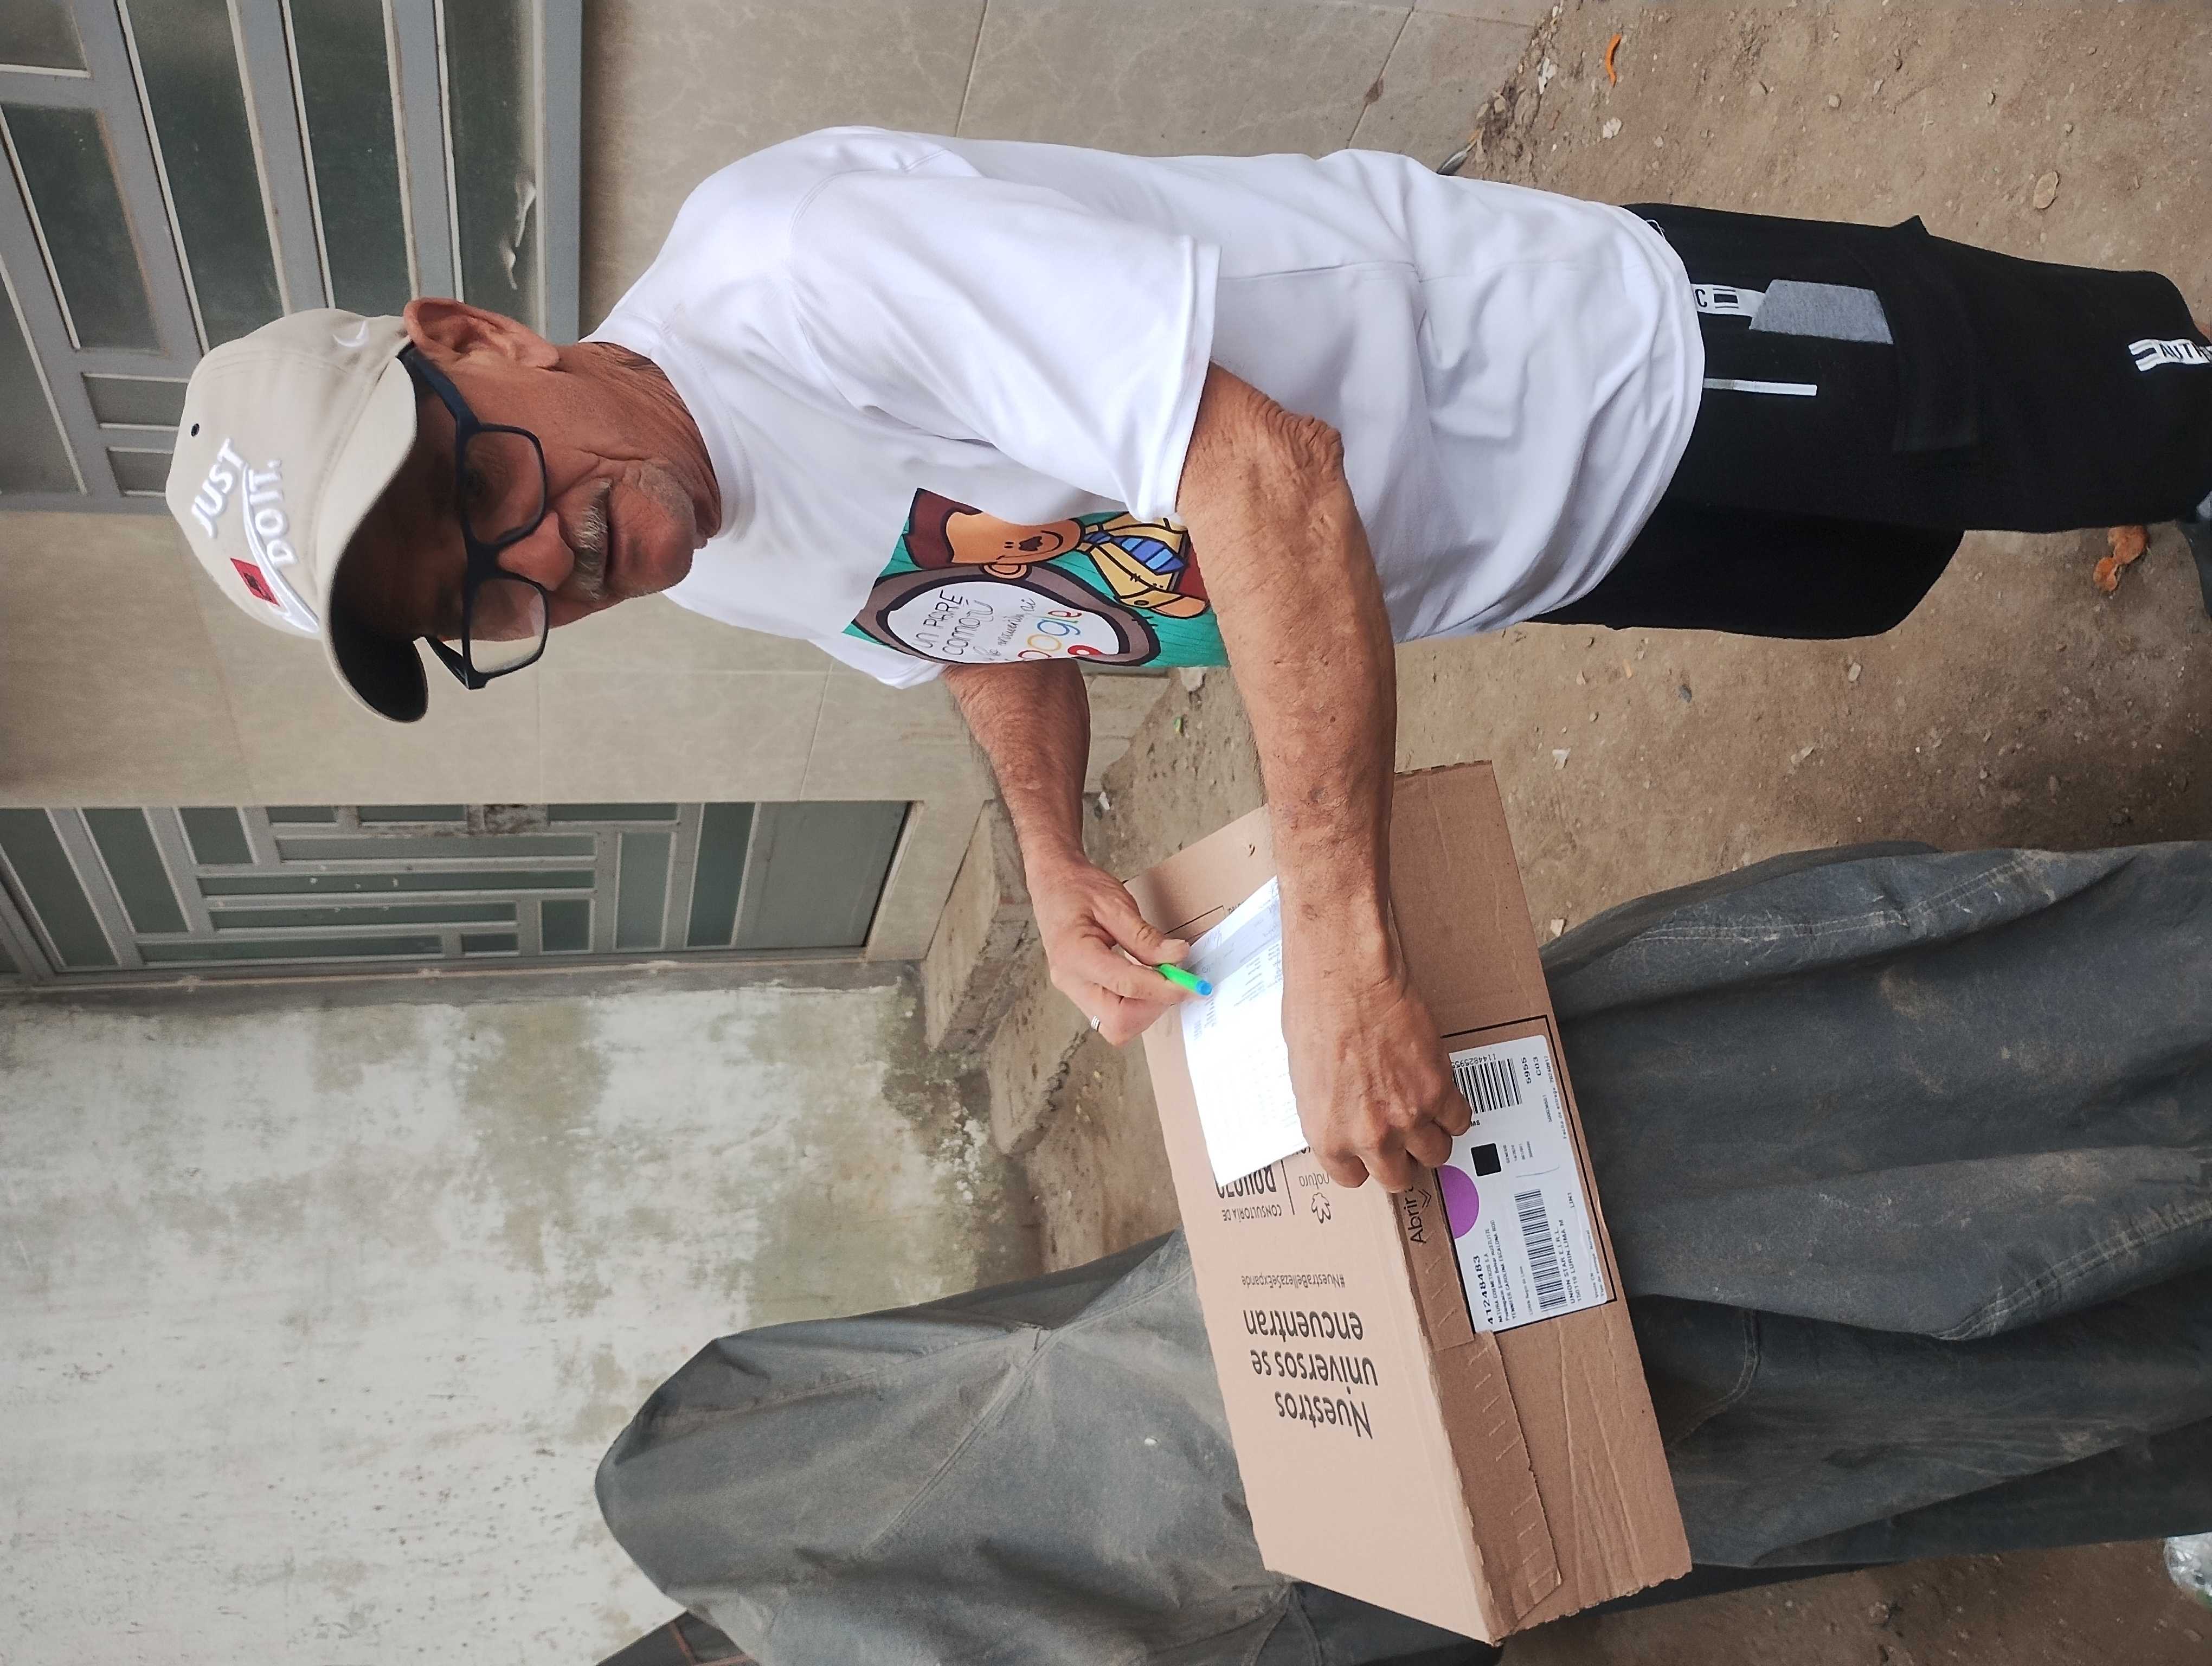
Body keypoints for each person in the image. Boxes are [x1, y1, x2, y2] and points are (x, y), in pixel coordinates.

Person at [162, 129, 2212, 1196]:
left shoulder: (807, 267)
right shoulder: (700, 556)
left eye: (485, 491)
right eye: (480, 604)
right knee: (1886, 560)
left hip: (1584, 360)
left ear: (479, 334)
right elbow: (959, 606)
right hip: (1513, 550)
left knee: (2097, 406)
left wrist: (1348, 948)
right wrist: (1051, 850)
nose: (544, 562)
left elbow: (1262, 468)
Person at [590, 837, 2212, 1666]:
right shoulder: (705, 1471)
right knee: (1897, 1370)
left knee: (1848, 1200)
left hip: (1442, 1315)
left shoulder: (718, 1481)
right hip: (1420, 1456)